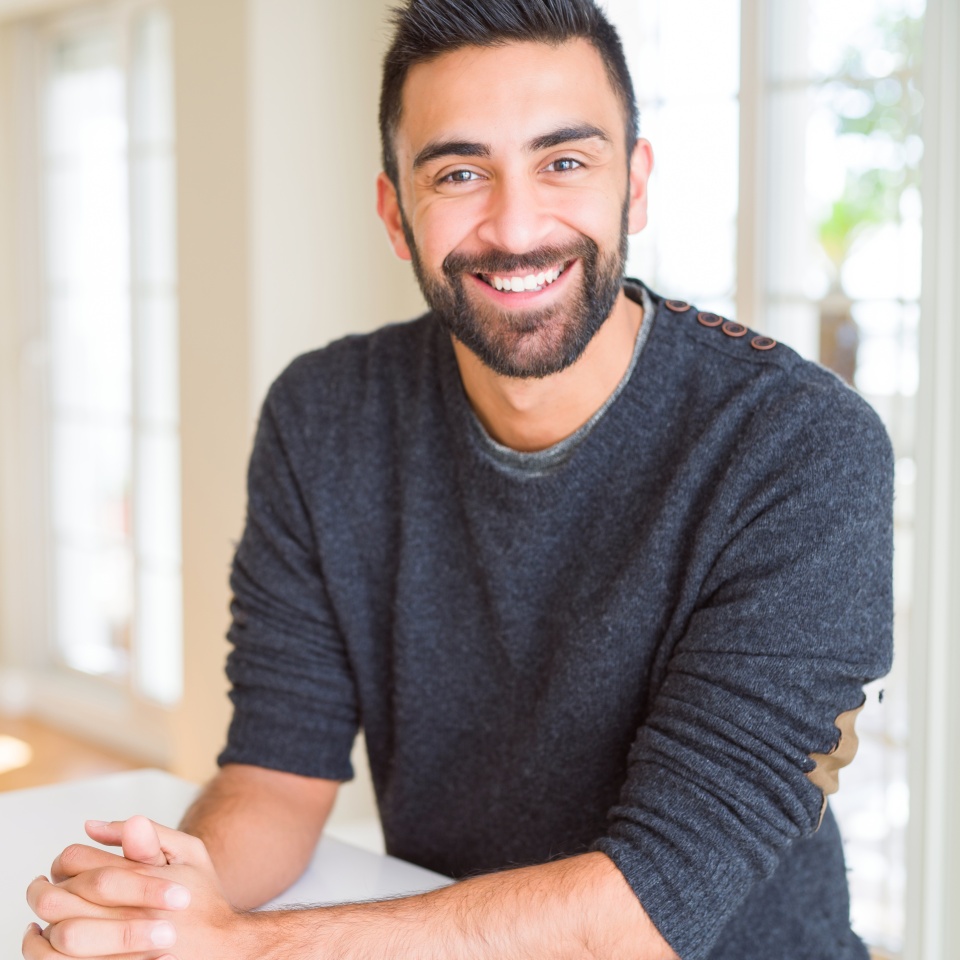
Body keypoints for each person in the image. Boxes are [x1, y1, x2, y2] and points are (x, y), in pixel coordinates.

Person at [23, 1, 894, 958]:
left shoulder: (800, 446)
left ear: (634, 187)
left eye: (565, 162)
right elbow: (275, 774)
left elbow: (643, 908)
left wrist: (247, 948)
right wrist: (166, 901)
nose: (516, 226)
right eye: (460, 172)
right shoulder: (325, 416)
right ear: (397, 212)